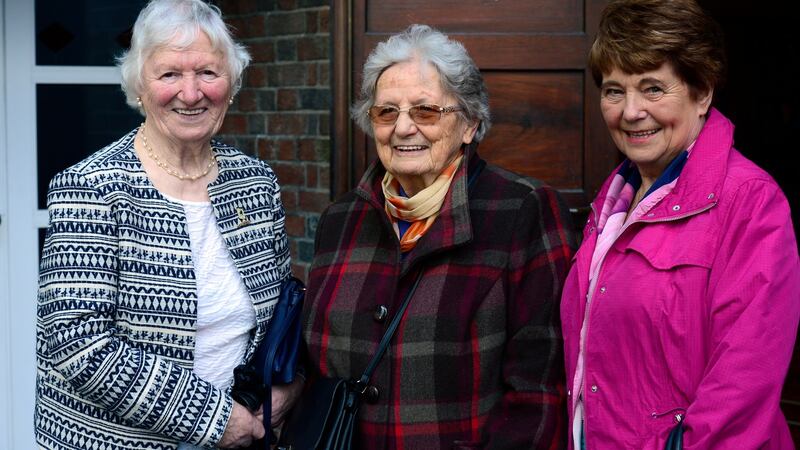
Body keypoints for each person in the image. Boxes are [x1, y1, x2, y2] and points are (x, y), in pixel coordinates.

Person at [34, 0, 302, 448]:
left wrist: (290, 384)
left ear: (231, 83)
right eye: (170, 74)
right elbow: (77, 342)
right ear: (140, 84)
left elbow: (279, 315)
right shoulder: (91, 187)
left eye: (208, 73)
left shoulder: (255, 183)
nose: (191, 93)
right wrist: (215, 420)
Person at [301, 24, 574, 449]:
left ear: (469, 124)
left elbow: (538, 388)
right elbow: (316, 362)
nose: (403, 128)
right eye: (386, 112)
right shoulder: (341, 219)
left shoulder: (523, 209)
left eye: (426, 111)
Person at [560, 0, 800, 448]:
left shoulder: (749, 201)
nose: (630, 111)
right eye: (614, 91)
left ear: (702, 91)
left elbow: (741, 386)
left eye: (653, 89)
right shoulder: (615, 200)